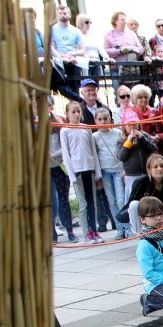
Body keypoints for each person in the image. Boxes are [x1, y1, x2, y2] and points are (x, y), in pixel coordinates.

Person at [59, 100, 103, 244]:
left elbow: (93, 152)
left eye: (78, 111)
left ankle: (94, 231)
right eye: (73, 112)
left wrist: (97, 172)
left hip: (89, 169)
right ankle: (87, 232)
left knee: (92, 203)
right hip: (77, 171)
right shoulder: (65, 130)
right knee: (83, 204)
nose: (77, 114)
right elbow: (66, 155)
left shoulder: (86, 128)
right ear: (67, 114)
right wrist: (71, 175)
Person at [93, 107, 130, 240]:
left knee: (121, 200)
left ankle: (127, 227)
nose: (103, 122)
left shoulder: (117, 133)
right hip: (105, 171)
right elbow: (95, 156)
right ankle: (120, 228)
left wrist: (125, 169)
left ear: (110, 118)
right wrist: (98, 176)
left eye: (106, 118)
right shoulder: (95, 137)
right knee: (112, 201)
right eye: (100, 119)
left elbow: (124, 151)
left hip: (118, 171)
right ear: (96, 121)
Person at [49, 104, 78, 243]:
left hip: (59, 166)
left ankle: (70, 231)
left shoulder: (58, 124)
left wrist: (54, 154)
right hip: (45, 168)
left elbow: (65, 146)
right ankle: (52, 234)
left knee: (63, 199)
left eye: (47, 105)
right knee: (50, 201)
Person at [50, 5, 85, 100]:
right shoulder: (53, 30)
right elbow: (52, 48)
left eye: (65, 13)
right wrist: (63, 56)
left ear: (69, 14)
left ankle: (77, 105)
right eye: (60, 13)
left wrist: (72, 54)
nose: (62, 15)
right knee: (63, 89)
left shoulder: (76, 31)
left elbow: (82, 50)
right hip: (60, 63)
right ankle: (80, 101)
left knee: (75, 88)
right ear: (57, 15)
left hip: (74, 62)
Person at [117, 120, 157, 200]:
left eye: (134, 125)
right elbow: (120, 157)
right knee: (134, 198)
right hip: (132, 175)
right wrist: (128, 142)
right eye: (129, 125)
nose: (132, 128)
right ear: (124, 126)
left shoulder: (144, 136)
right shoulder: (122, 139)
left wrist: (142, 139)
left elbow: (154, 149)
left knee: (148, 197)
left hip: (147, 173)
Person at [104, 11, 144, 88]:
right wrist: (120, 51)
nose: (125, 22)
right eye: (122, 20)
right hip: (116, 68)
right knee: (118, 91)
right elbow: (106, 51)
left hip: (131, 69)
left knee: (133, 92)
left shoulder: (131, 34)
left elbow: (141, 49)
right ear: (115, 21)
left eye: (125, 20)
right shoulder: (109, 35)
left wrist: (131, 48)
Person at [76, 13, 113, 78]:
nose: (89, 24)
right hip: (84, 65)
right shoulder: (78, 35)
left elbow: (100, 49)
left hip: (96, 63)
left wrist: (107, 58)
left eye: (90, 22)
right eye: (87, 22)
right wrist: (89, 59)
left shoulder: (93, 35)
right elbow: (78, 50)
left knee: (95, 84)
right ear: (81, 23)